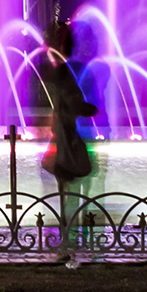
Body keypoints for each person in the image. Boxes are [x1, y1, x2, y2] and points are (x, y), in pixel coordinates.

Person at [33, 21, 99, 264]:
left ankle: (69, 239)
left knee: (68, 193)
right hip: (69, 141)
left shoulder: (62, 71)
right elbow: (75, 103)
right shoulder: (69, 72)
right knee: (71, 193)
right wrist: (91, 109)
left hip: (64, 139)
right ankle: (69, 242)